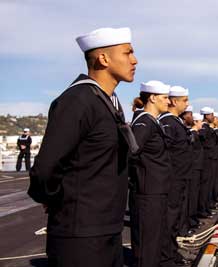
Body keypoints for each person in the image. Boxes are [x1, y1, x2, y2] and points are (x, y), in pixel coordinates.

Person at [27, 27, 138, 267]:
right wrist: (56, 200)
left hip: (107, 228)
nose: (134, 60)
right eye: (128, 53)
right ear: (103, 58)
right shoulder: (78, 100)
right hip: (80, 234)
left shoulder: (108, 102)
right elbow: (46, 168)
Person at [129, 80, 172, 267]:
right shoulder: (144, 122)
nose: (169, 102)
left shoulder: (151, 121)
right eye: (165, 98)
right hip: (148, 192)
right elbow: (131, 152)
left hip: (156, 189)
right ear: (153, 98)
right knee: (148, 243)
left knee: (155, 240)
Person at [158, 86, 192, 266]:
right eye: (184, 100)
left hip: (179, 178)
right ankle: (165, 257)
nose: (187, 104)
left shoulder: (175, 122)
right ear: (174, 101)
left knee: (174, 219)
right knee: (169, 220)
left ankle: (171, 252)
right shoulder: (168, 123)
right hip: (171, 179)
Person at [197, 107, 217, 218]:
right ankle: (202, 210)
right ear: (206, 116)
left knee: (208, 186)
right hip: (205, 160)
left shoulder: (207, 128)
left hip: (209, 159)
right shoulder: (204, 128)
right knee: (204, 187)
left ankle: (206, 208)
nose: (213, 117)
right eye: (211, 115)